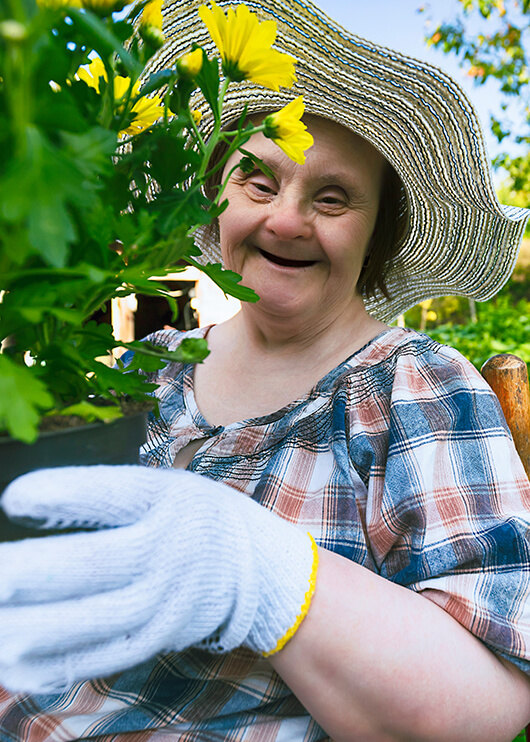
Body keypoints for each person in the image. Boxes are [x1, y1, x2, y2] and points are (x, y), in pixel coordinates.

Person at [1, 0, 530, 739]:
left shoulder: (415, 386)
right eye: (257, 181)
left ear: (379, 232)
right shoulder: (143, 371)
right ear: (214, 194)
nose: (286, 219)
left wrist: (266, 575)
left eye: (334, 197)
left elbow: (492, 705)